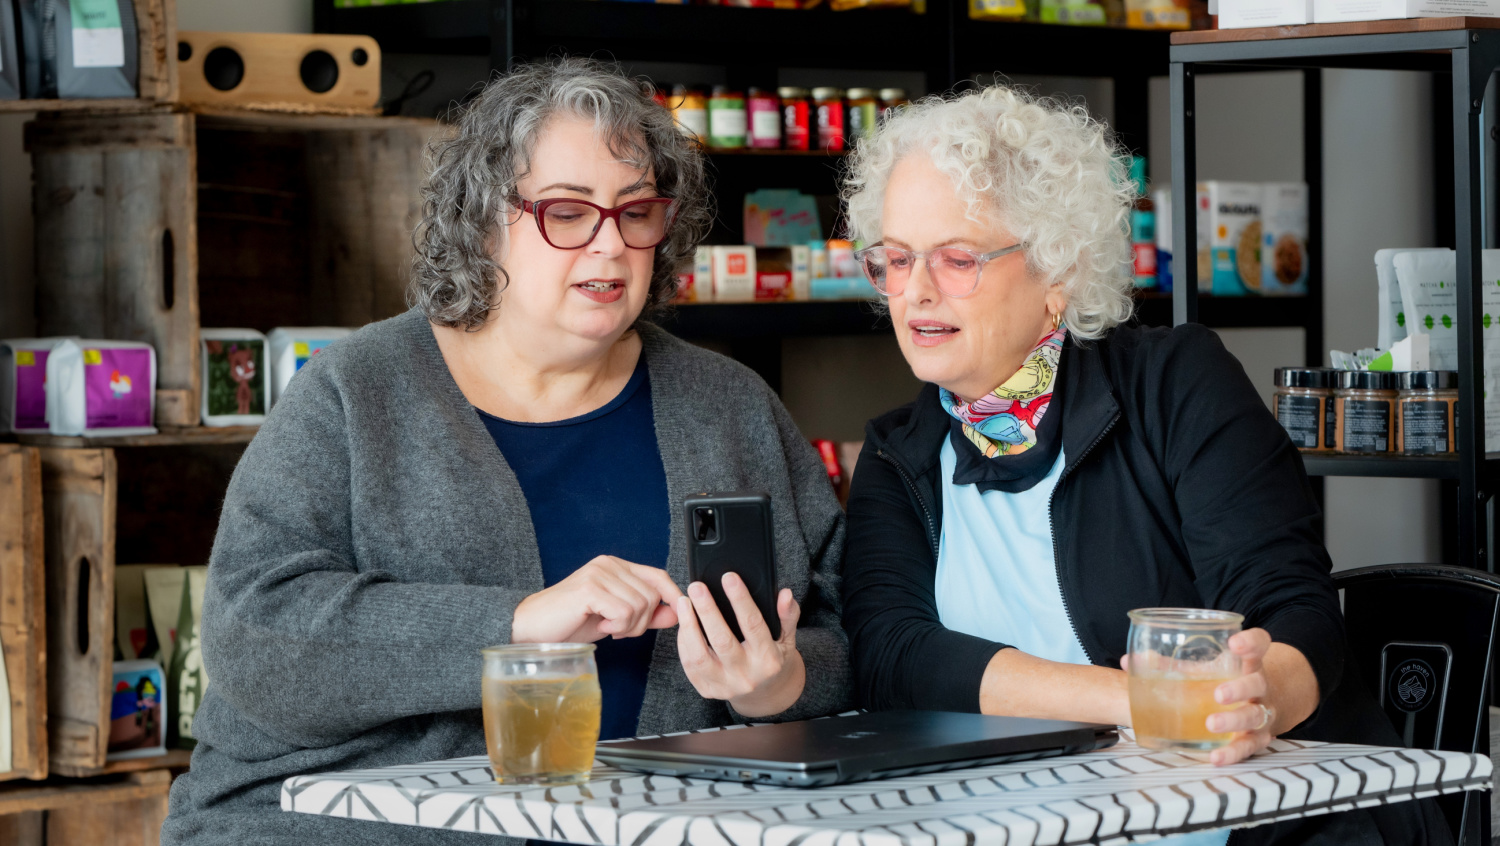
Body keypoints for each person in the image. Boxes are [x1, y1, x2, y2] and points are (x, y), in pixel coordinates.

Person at [163, 59, 850, 846]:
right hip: (335, 826)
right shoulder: (357, 392)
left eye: (637, 212)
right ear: (484, 219)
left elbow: (841, 625)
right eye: (566, 212)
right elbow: (255, 633)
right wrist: (520, 623)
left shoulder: (729, 405)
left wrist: (780, 685)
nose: (609, 244)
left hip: (653, 829)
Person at [838, 85, 1450, 845]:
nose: (916, 291)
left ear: (1056, 275)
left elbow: (1294, 610)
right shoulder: (900, 454)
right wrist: (1142, 703)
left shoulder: (1175, 383)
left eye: (957, 258)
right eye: (895, 260)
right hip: (1033, 826)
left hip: (1260, 819)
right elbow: (895, 658)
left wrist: (1258, 698)